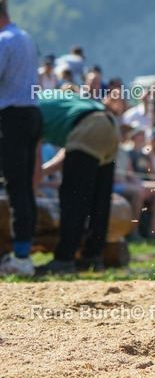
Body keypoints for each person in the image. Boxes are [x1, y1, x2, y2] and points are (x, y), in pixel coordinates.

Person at [34, 91, 120, 275]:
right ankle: (92, 256)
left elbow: (35, 153)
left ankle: (64, 259)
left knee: (73, 199)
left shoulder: (27, 108)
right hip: (109, 126)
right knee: (100, 199)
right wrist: (44, 172)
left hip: (88, 128)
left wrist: (31, 189)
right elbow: (74, 147)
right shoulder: (53, 99)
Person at [0, 2, 45, 277]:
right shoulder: (25, 37)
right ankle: (23, 252)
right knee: (25, 188)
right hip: (31, 114)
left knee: (16, 188)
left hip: (12, 118)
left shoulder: (4, 40)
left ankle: (20, 258)